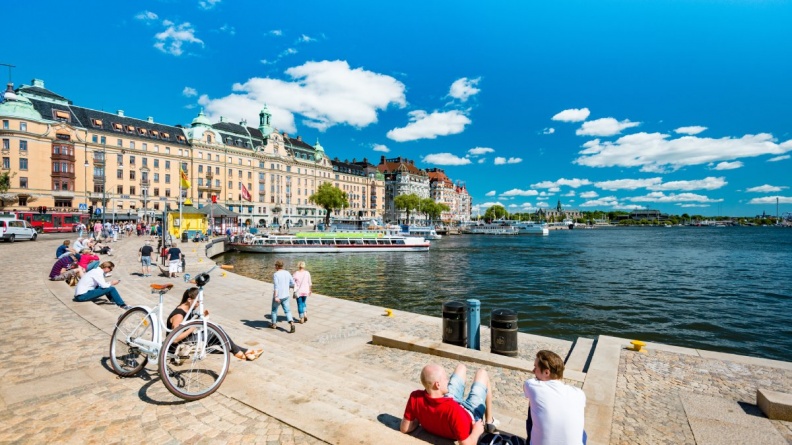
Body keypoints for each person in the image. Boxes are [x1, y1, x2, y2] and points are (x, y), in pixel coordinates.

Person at [401, 363, 497, 445]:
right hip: (471, 413)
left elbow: (404, 428)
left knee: (461, 367)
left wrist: (422, 417)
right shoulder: (453, 410)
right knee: (482, 373)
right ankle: (489, 421)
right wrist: (476, 431)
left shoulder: (415, 397)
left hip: (447, 400)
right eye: (446, 378)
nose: (448, 380)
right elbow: (466, 443)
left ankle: (489, 420)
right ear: (437, 384)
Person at [167, 288, 263, 361]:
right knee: (216, 332)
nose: (199, 304)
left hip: (187, 340)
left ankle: (244, 352)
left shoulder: (188, 309)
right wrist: (194, 327)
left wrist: (200, 318)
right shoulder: (179, 315)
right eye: (198, 301)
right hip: (178, 346)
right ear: (189, 299)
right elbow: (174, 339)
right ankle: (240, 352)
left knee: (219, 337)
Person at [523, 350, 587, 445]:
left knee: (533, 406)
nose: (533, 371)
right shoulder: (579, 393)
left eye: (535, 367)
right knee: (582, 432)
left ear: (546, 372)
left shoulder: (531, 385)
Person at [271, 260, 296, 333]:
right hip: (286, 295)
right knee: (287, 311)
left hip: (278, 296)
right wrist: (287, 285)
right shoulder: (287, 273)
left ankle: (274, 324)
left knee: (274, 310)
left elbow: (276, 286)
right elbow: (292, 283)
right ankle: (291, 323)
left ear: (277, 266)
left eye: (275, 265)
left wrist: (276, 296)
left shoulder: (276, 274)